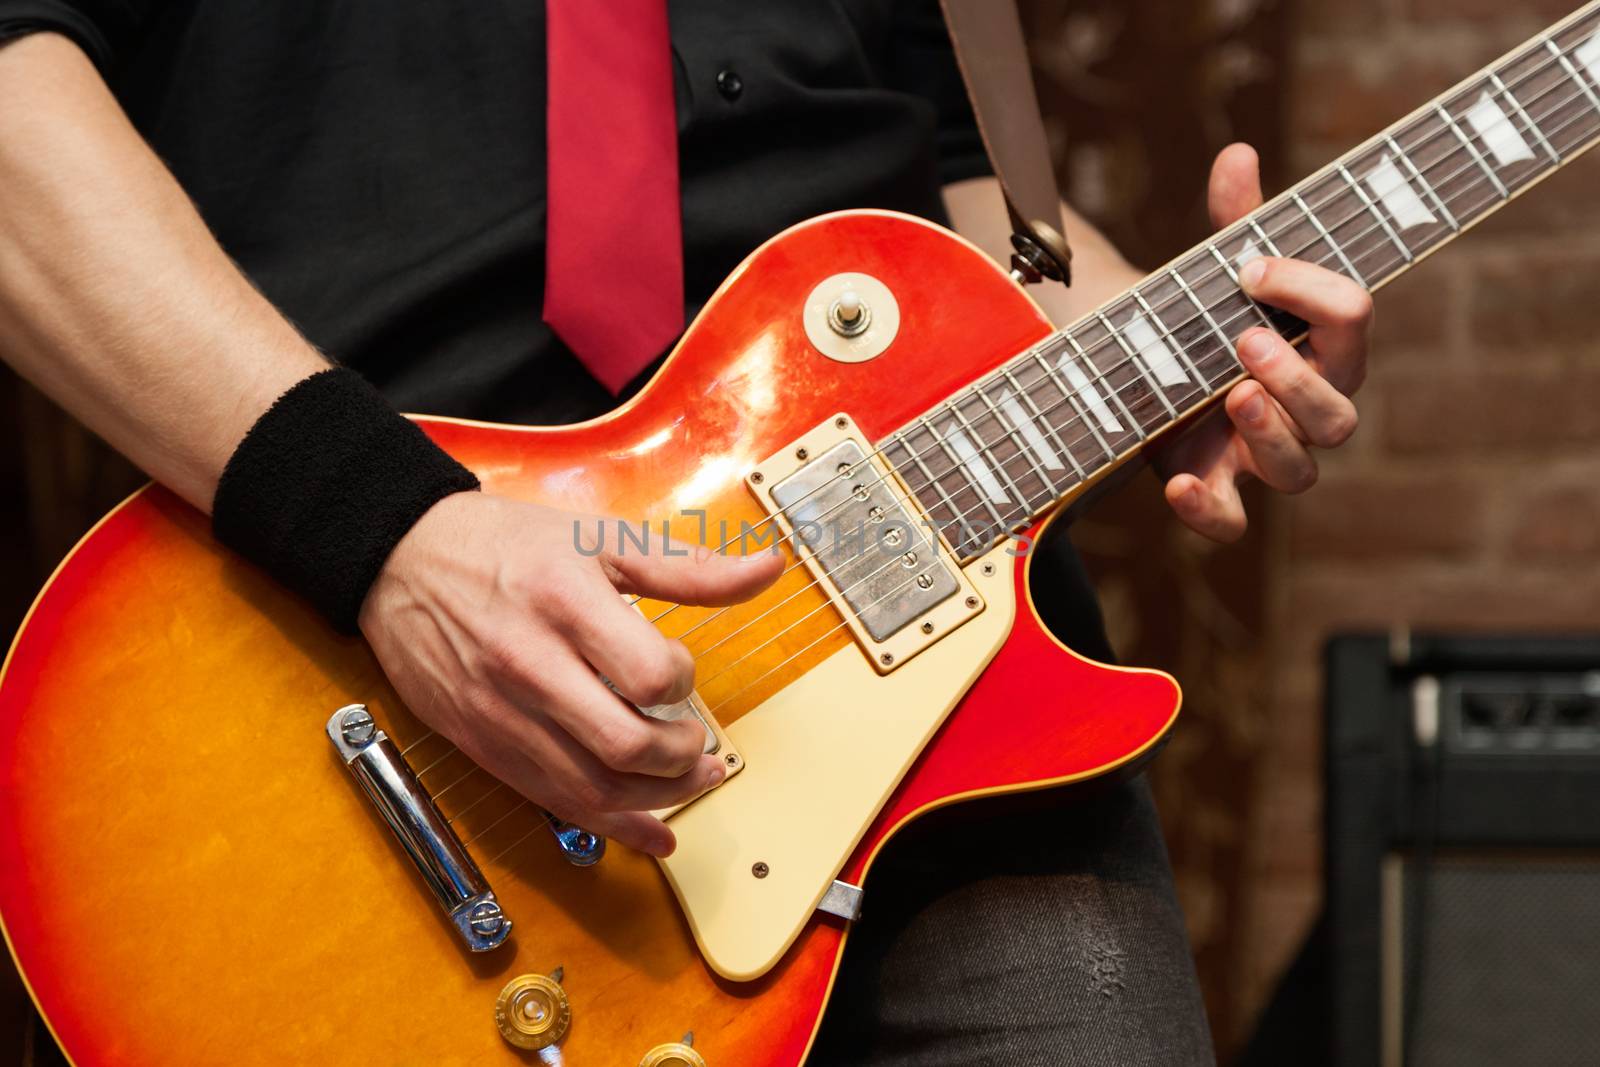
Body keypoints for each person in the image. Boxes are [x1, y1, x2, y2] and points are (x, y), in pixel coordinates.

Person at [0, 2, 1369, 1063]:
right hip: (349, 664)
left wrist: (1176, 351)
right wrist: (387, 534)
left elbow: (963, 188)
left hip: (958, 712)